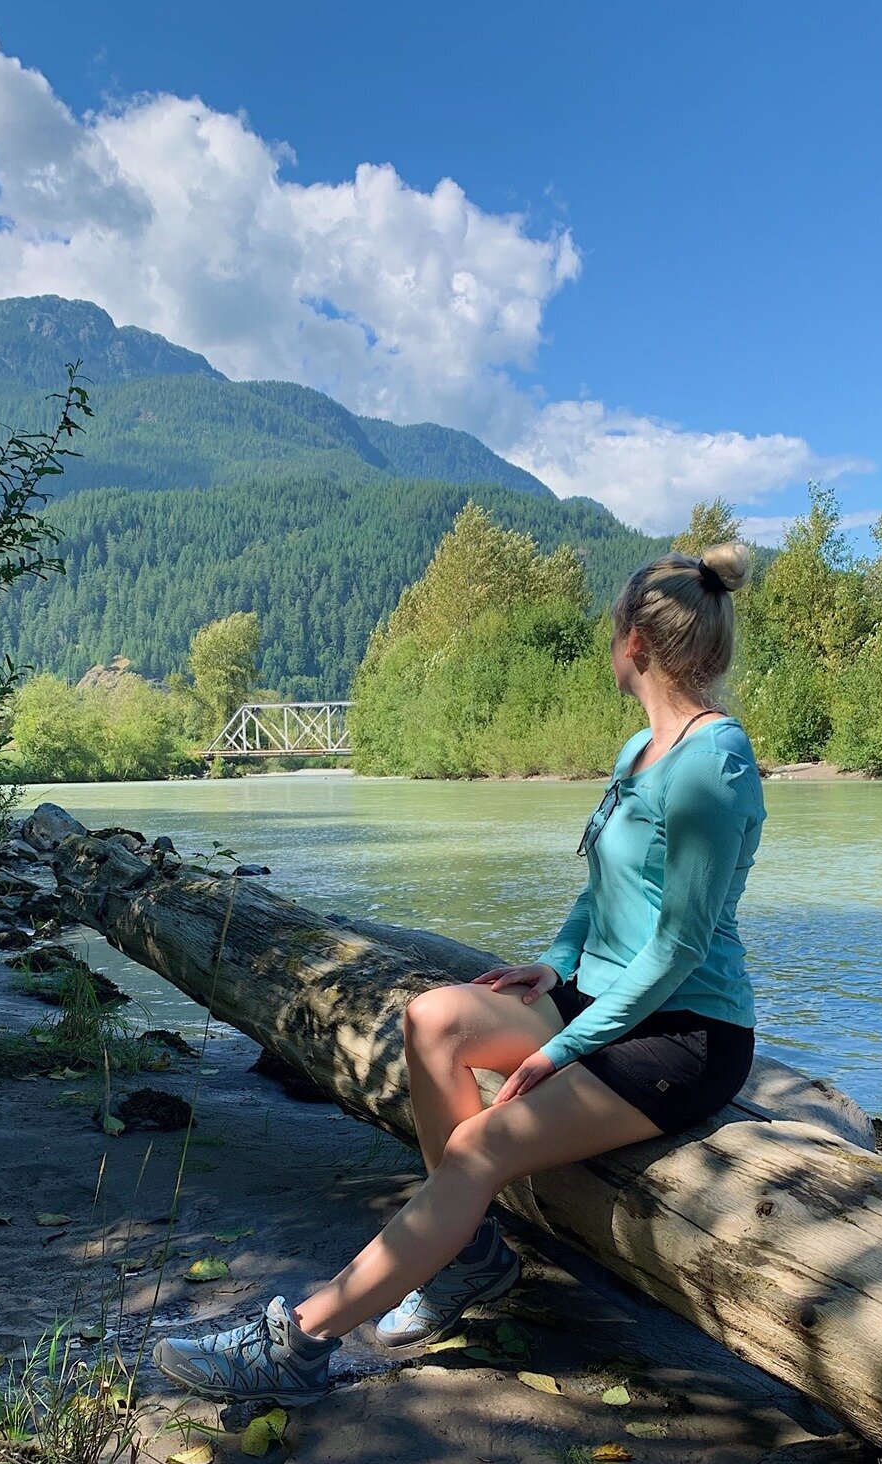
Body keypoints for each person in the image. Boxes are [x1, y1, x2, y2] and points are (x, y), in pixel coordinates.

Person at [152, 542, 766, 1406]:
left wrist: (561, 1051)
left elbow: (678, 949)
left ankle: (298, 1343)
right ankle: (469, 1255)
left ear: (632, 642)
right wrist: (553, 966)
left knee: (477, 1149)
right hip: (602, 1000)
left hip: (682, 1035)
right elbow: (602, 891)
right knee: (436, 1017)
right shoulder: (639, 752)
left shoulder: (713, 765)